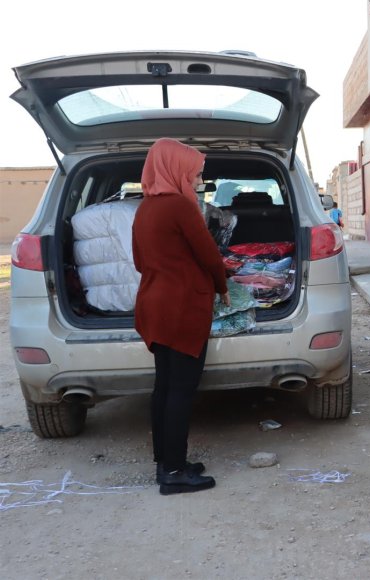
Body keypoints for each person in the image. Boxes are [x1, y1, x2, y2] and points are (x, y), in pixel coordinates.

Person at [132, 138, 230, 496]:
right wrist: (222, 284)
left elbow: (139, 261)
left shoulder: (146, 208)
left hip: (153, 306)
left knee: (164, 387)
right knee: (182, 390)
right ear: (177, 170)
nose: (196, 181)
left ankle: (166, 461)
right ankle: (174, 472)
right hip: (181, 308)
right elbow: (208, 255)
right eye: (194, 174)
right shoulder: (180, 207)